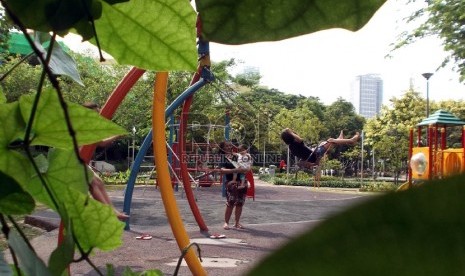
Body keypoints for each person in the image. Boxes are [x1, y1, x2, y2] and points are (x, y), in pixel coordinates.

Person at [83, 102, 129, 221]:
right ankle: (109, 212)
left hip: (81, 162)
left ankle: (111, 210)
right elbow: (101, 142)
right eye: (95, 113)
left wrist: (117, 136)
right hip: (72, 162)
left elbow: (101, 142)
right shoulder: (80, 127)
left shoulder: (89, 129)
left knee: (98, 182)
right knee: (93, 183)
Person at [280, 128, 360, 170]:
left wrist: (309, 163)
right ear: (291, 136)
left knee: (324, 143)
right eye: (292, 133)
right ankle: (351, 140)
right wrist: (290, 132)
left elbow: (301, 159)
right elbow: (300, 139)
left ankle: (339, 139)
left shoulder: (291, 148)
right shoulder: (296, 143)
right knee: (330, 140)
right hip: (316, 154)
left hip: (313, 156)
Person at [218, 141, 251, 230]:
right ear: (223, 148)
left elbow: (245, 165)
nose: (229, 147)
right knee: (231, 202)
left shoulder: (236, 156)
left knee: (240, 202)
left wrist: (245, 168)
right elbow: (222, 170)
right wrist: (235, 170)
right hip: (231, 182)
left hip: (241, 181)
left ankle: (237, 223)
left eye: (230, 146)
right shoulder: (223, 158)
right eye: (226, 146)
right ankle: (226, 222)